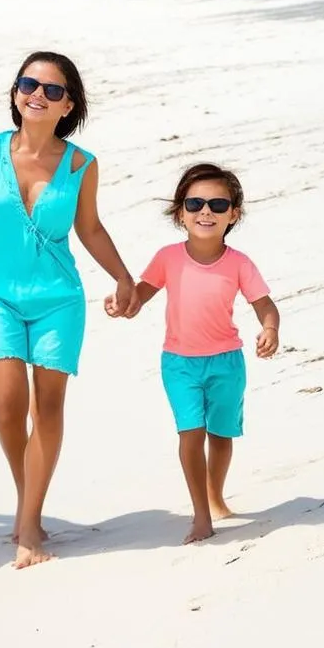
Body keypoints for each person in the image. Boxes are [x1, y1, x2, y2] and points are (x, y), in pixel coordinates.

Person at [0, 51, 137, 568]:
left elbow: (90, 228)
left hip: (59, 300)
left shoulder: (81, 165)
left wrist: (123, 276)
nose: (38, 94)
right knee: (6, 404)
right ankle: (26, 490)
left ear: (67, 104)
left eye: (52, 90)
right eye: (29, 84)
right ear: (15, 93)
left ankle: (29, 519)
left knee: (47, 407)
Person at [105, 162, 280, 544]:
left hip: (227, 363)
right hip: (179, 364)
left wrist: (270, 329)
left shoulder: (239, 263)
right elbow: (140, 297)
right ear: (180, 212)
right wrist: (124, 302)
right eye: (195, 203)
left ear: (233, 214)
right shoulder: (168, 257)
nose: (206, 212)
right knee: (190, 432)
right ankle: (201, 513)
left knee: (220, 435)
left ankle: (216, 496)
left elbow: (265, 305)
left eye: (218, 205)